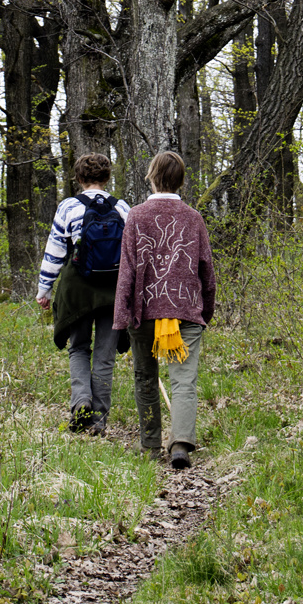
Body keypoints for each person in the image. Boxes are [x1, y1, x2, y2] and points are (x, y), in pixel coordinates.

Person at [113, 150, 216, 469]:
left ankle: (149, 445)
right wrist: (205, 311)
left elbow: (126, 272)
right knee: (184, 380)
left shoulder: (136, 216)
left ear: (152, 177)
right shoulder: (193, 217)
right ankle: (181, 443)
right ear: (181, 180)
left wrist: (120, 321)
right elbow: (207, 271)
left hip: (145, 310)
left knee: (145, 376)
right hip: (185, 308)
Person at [36, 153, 130, 435]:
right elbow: (132, 255)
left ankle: (81, 403)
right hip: (112, 291)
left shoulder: (68, 207)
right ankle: (98, 421)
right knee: (104, 355)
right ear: (107, 177)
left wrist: (45, 290)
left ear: (78, 179)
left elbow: (55, 251)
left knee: (78, 348)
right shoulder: (123, 207)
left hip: (76, 289)